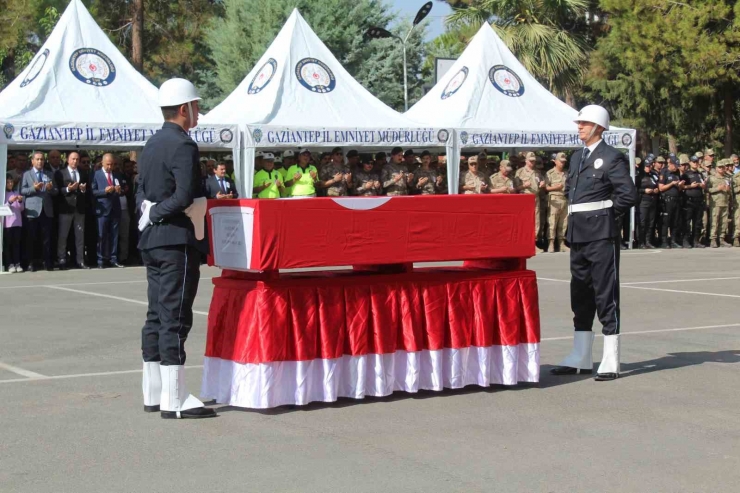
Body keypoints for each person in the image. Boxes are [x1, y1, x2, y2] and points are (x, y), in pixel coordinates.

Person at [136, 78, 215, 419]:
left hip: (153, 240)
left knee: (156, 314)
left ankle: (154, 392)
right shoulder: (183, 145)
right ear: (185, 109)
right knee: (175, 317)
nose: (198, 112)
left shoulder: (152, 143)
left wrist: (150, 212)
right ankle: (175, 398)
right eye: (196, 107)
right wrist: (157, 212)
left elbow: (141, 189)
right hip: (175, 241)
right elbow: (184, 196)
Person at [551, 105, 638, 381]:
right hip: (578, 235)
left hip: (601, 235)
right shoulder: (577, 158)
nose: (580, 127)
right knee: (580, 294)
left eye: (585, 123)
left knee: (605, 294)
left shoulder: (612, 158)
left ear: (599, 127)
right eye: (579, 123)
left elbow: (628, 195)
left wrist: (607, 221)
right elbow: (570, 193)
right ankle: (581, 355)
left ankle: (611, 357)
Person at [21, 151, 58, 271]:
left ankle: (47, 262)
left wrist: (50, 189)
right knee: (31, 238)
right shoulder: (27, 174)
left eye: (42, 159)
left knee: (46, 239)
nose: (40, 161)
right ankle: (31, 263)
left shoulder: (49, 174)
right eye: (37, 159)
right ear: (32, 161)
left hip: (46, 210)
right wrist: (34, 188)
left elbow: (56, 191)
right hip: (32, 210)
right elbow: (22, 191)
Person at [55, 151, 89, 269]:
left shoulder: (83, 173)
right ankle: (62, 259)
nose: (75, 161)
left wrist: (83, 190)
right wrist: (68, 189)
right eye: (73, 159)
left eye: (77, 159)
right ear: (68, 160)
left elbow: (86, 191)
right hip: (66, 208)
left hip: (79, 208)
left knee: (80, 236)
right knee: (63, 236)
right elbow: (58, 190)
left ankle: (80, 260)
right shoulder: (61, 173)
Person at [92, 154, 124, 268]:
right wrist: (104, 191)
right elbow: (93, 191)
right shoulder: (96, 174)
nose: (110, 167)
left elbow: (121, 190)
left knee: (114, 235)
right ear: (102, 163)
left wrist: (119, 190)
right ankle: (101, 259)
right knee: (102, 235)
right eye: (108, 164)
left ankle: (113, 258)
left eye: (112, 164)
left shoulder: (116, 174)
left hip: (115, 208)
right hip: (103, 209)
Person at [515, 152, 545, 253]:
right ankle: (523, 243)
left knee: (536, 221)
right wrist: (523, 186)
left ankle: (533, 243)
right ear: (526, 161)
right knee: (525, 221)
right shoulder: (520, 172)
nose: (532, 163)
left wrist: (542, 184)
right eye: (531, 161)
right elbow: (515, 188)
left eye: (534, 161)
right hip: (524, 198)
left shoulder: (537, 172)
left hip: (535, 198)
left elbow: (541, 183)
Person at [680, 154, 706, 249]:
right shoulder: (686, 174)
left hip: (698, 201)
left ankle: (695, 241)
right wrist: (691, 186)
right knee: (687, 222)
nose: (695, 164)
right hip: (689, 200)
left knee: (697, 222)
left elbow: (703, 185)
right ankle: (685, 241)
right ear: (690, 163)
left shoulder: (700, 174)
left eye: (697, 162)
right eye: (694, 162)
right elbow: (681, 187)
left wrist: (702, 185)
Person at [545, 152, 569, 253]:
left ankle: (561, 243)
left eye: (564, 162)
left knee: (564, 223)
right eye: (561, 162)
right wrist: (555, 187)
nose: (562, 164)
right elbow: (545, 187)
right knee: (552, 222)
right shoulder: (549, 173)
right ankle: (551, 243)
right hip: (554, 199)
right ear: (555, 161)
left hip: (564, 200)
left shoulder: (567, 173)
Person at [658, 156, 683, 248]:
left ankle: (673, 240)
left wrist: (680, 185)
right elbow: (661, 188)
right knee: (666, 221)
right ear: (670, 164)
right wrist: (672, 183)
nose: (676, 167)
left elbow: (679, 188)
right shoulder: (664, 172)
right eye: (675, 165)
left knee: (675, 221)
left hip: (676, 199)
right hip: (667, 199)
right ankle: (664, 241)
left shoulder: (677, 173)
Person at [707, 160, 732, 248]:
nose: (721, 169)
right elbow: (707, 190)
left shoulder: (727, 178)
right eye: (719, 167)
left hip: (725, 202)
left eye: (722, 167)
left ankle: (721, 239)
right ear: (716, 168)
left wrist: (728, 189)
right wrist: (717, 188)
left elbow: (730, 191)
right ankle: (713, 239)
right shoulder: (711, 178)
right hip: (715, 203)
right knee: (714, 222)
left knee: (724, 222)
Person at [637, 158, 659, 249]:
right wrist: (644, 190)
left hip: (652, 200)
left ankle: (648, 241)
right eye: (647, 166)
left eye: (650, 166)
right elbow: (635, 189)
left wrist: (656, 190)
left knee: (650, 223)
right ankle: (641, 242)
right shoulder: (639, 176)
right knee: (642, 222)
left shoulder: (653, 175)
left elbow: (657, 184)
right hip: (643, 201)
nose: (648, 168)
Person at [3, 175, 24, 273]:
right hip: (7, 224)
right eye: (8, 182)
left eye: (11, 182)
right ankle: (9, 263)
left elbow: (21, 208)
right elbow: (3, 208)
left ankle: (17, 263)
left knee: (17, 244)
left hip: (17, 223)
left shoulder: (16, 193)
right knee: (8, 245)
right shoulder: (3, 194)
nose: (10, 184)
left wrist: (19, 201)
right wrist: (10, 202)